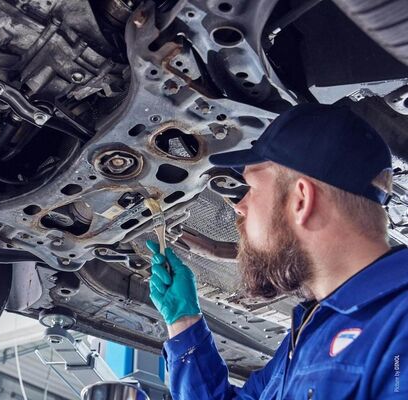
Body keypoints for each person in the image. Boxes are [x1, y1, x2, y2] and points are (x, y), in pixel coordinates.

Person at [146, 103, 408, 399]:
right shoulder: (310, 331)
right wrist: (183, 322)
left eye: (251, 187)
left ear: (300, 200)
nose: (239, 205)